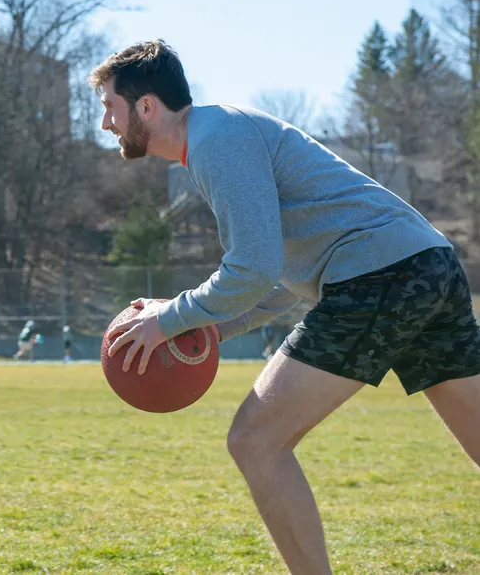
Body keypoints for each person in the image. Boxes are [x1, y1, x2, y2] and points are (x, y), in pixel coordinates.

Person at [92, 39, 480, 574]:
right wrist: (212, 328)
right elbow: (275, 275)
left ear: (147, 107)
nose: (107, 123)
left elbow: (251, 266)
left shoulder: (214, 140)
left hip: (382, 275)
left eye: (110, 107)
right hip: (426, 264)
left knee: (255, 440)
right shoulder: (217, 133)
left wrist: (171, 317)